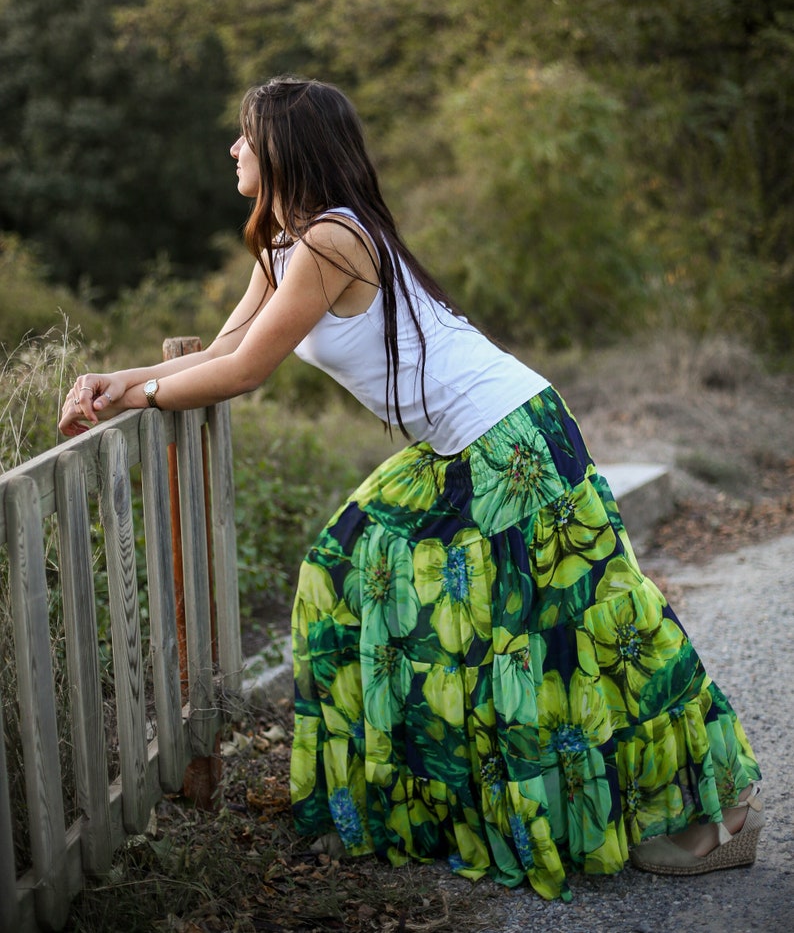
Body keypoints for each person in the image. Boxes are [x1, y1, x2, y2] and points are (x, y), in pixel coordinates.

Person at [59, 76, 762, 902]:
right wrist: (120, 378)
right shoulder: (288, 244)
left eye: (246, 135)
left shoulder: (331, 242)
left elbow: (243, 373)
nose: (234, 149)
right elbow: (218, 348)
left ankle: (726, 814)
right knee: (347, 564)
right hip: (460, 447)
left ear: (284, 147)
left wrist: (136, 396)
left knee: (589, 623)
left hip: (512, 438)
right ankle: (415, 798)